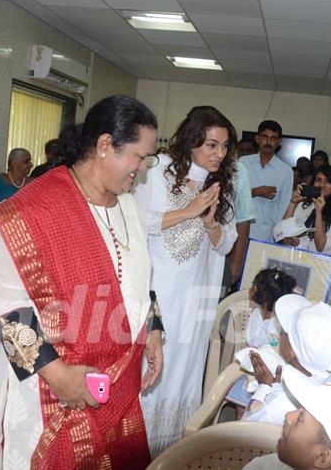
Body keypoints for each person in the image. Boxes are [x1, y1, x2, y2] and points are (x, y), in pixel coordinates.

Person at [0, 95, 163, 469]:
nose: (143, 169)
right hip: (55, 391)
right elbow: (4, 308)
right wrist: (60, 377)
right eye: (139, 156)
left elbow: (140, 280)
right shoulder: (33, 209)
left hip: (119, 386)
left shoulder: (128, 205)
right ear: (104, 145)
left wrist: (154, 329)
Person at [134, 105, 237, 455]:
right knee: (152, 368)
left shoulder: (222, 185)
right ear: (192, 140)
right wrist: (187, 211)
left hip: (198, 296)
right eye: (211, 145)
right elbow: (137, 222)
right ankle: (134, 450)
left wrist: (209, 223)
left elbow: (226, 244)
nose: (219, 154)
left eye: (224, 147)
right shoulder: (157, 170)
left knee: (184, 371)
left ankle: (170, 453)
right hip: (161, 293)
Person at [243, 294, 331, 426]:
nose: (279, 334)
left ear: (292, 351)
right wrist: (276, 386)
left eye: (283, 331)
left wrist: (264, 388)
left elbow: (242, 433)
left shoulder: (277, 405)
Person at [241, 120, 294, 242]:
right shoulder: (243, 163)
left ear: (279, 142)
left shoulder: (286, 171)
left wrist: (280, 237)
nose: (268, 142)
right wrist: (255, 192)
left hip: (266, 236)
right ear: (257, 138)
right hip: (238, 231)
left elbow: (284, 208)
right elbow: (231, 195)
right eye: (265, 137)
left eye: (273, 138)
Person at [282, 165, 331, 255]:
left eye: (328, 181)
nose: (322, 185)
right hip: (293, 256)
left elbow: (321, 247)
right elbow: (284, 231)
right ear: (313, 183)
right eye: (318, 180)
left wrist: (319, 213)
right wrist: (293, 202)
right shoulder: (304, 205)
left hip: (318, 264)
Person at [245, 268, 296, 348]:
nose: (249, 291)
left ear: (264, 297)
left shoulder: (275, 328)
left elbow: (274, 354)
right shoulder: (256, 313)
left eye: (253, 288)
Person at [228, 159, 256, 288]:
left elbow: (243, 218)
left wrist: (237, 262)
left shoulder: (237, 170)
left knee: (214, 301)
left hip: (224, 252)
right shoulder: (180, 165)